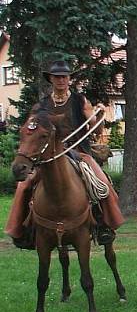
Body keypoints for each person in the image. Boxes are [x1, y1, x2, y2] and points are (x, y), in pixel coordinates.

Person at [5, 60, 124, 249]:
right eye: (57, 77)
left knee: (102, 184)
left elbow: (95, 128)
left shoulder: (80, 101)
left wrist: (98, 116)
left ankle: (104, 226)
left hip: (78, 152)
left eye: (64, 77)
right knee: (24, 185)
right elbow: (30, 128)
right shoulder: (41, 106)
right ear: (51, 79)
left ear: (69, 79)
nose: (61, 80)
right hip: (48, 156)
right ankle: (22, 231)